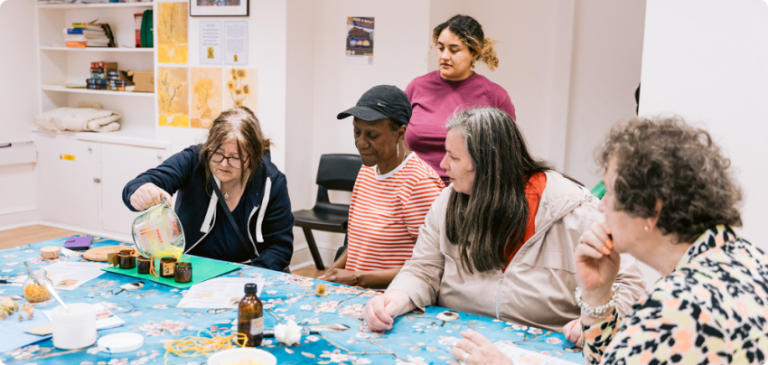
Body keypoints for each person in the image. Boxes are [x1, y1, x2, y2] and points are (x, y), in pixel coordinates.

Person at [448, 117, 768, 365]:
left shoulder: (672, 312)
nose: (600, 205)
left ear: (651, 210)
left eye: (610, 193)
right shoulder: (748, 258)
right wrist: (598, 298)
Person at [363, 107, 645, 337]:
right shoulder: (447, 202)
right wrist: (394, 300)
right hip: (456, 340)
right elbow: (423, 270)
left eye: (454, 156)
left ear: (487, 165)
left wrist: (592, 322)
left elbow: (629, 285)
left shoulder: (577, 211)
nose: (443, 165)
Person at [123, 107, 294, 271]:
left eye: (235, 157)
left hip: (248, 271)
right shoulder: (194, 160)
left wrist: (251, 279)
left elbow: (279, 247)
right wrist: (140, 191)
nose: (224, 164)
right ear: (209, 146)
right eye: (218, 153)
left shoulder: (272, 182)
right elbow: (141, 183)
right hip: (192, 268)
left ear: (253, 156)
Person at [318, 85, 445, 288]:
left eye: (372, 135)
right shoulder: (368, 169)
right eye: (357, 132)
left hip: (393, 300)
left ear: (399, 133)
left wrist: (357, 278)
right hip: (355, 292)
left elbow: (430, 265)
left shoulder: (420, 184)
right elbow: (358, 244)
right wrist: (331, 273)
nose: (360, 142)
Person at [405, 14, 517, 184]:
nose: (444, 56)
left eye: (454, 50)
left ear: (474, 52)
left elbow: (506, 157)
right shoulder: (416, 88)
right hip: (414, 190)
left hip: (466, 195)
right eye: (441, 48)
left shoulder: (495, 96)